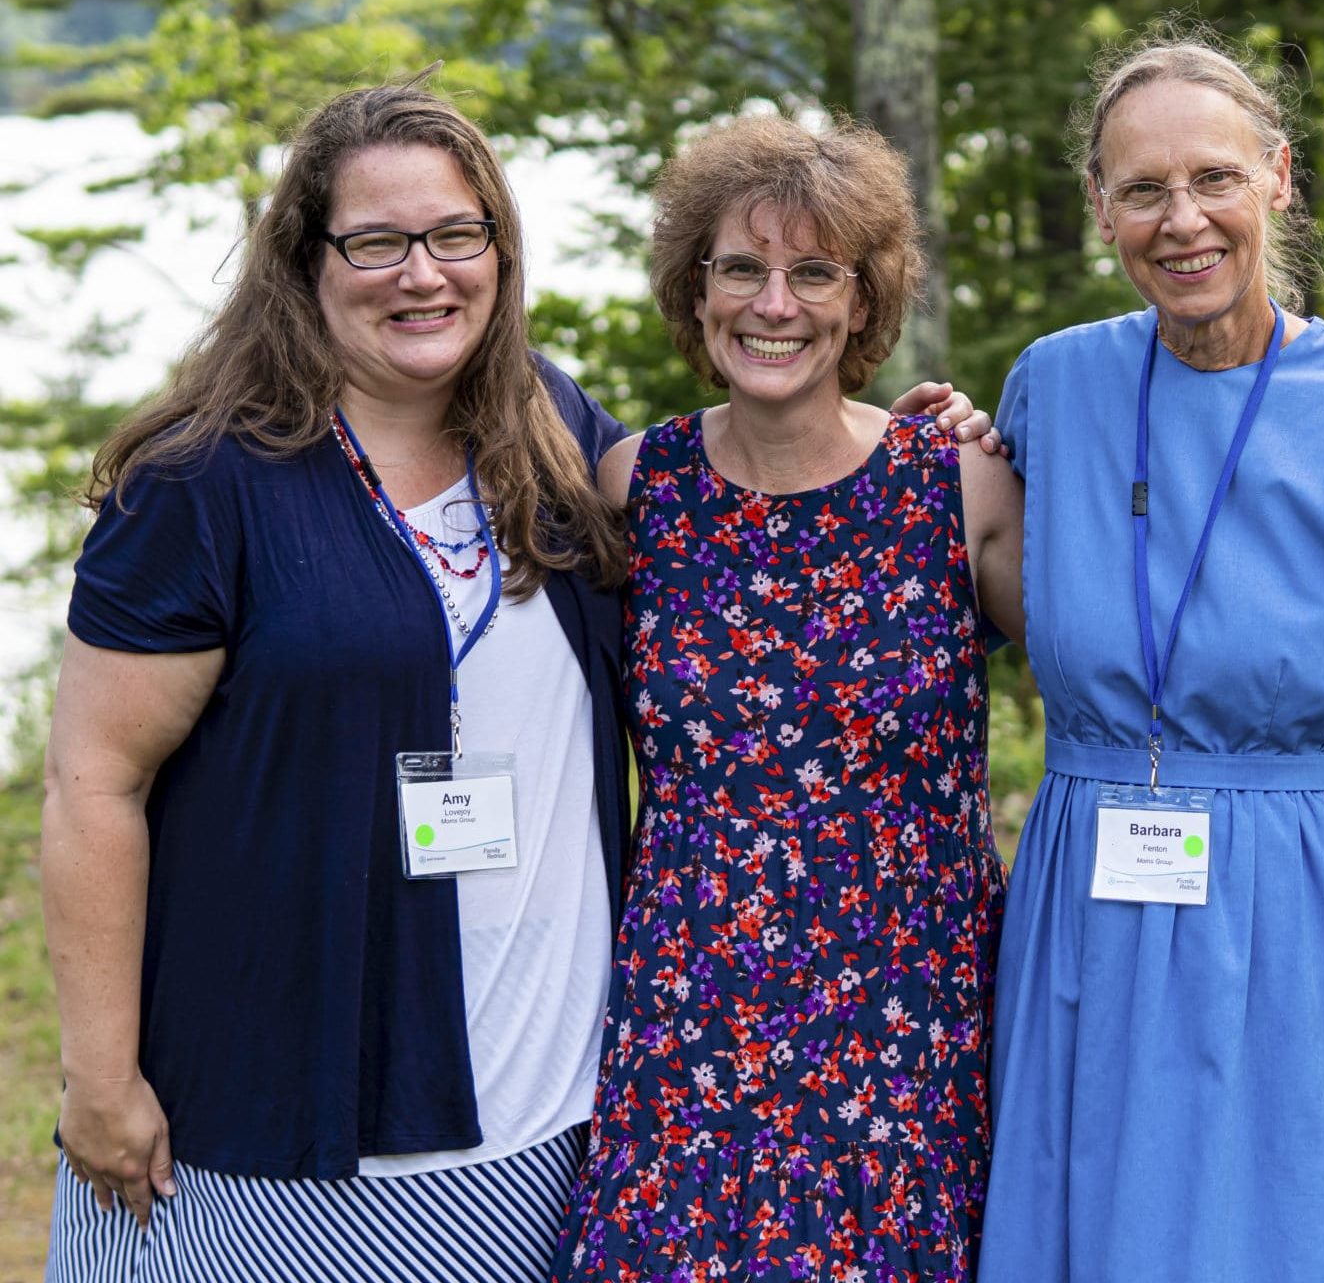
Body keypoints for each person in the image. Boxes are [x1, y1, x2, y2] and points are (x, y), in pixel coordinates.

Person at [40, 78, 988, 1283]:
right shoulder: (201, 481)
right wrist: (101, 1075)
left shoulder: (547, 431)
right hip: (276, 1121)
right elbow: (91, 785)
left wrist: (933, 441)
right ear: (304, 259)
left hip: (545, 1110)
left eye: (454, 235)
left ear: (498, 247)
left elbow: (763, 531)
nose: (420, 273)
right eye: (376, 241)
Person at [974, 35, 1324, 1282]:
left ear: (1278, 176)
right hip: (1096, 882)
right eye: (1141, 189)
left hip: (1319, 900)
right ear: (1099, 207)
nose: (1180, 220)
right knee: (1111, 1230)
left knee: (1302, 1229)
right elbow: (986, 582)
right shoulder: (1052, 387)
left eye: (1212, 177)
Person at [547, 115, 1024, 1281]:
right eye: (742, 268)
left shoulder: (959, 485)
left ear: (862, 302)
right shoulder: (633, 487)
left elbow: (1126, 672)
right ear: (693, 290)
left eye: (814, 272)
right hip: (691, 1016)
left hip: (908, 1022)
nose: (775, 302)